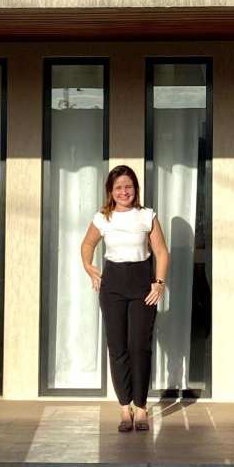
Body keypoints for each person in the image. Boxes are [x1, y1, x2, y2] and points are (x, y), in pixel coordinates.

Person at [80, 165, 169, 433]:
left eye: (128, 186)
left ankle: (140, 407)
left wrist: (159, 283)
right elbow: (87, 244)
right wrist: (88, 266)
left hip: (142, 284)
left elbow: (161, 252)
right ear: (111, 190)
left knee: (139, 346)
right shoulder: (102, 218)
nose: (123, 191)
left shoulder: (147, 216)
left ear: (135, 189)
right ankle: (124, 407)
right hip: (113, 286)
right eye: (118, 187)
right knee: (117, 347)